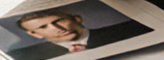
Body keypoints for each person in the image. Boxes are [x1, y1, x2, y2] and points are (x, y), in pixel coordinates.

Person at [8, 9, 151, 59]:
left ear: (77, 19)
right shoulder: (22, 56)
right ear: (34, 34)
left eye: (60, 20)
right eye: (43, 27)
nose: (56, 28)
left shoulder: (132, 29)